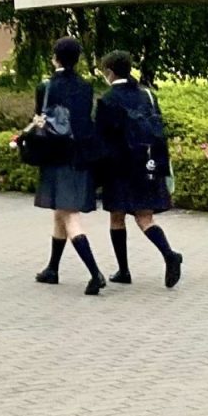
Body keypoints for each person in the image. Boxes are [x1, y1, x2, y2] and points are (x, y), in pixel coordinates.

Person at [96, 50, 184, 289]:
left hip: (119, 168)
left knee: (116, 217)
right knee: (145, 217)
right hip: (148, 163)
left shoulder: (107, 100)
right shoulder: (147, 95)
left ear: (110, 72)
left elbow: (101, 139)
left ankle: (124, 270)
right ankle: (169, 254)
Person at [29, 36, 108, 295]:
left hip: (57, 156)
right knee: (61, 213)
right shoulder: (86, 86)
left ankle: (95, 274)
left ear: (56, 57)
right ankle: (52, 268)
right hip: (81, 155)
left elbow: (40, 118)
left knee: (69, 216)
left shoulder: (47, 86)